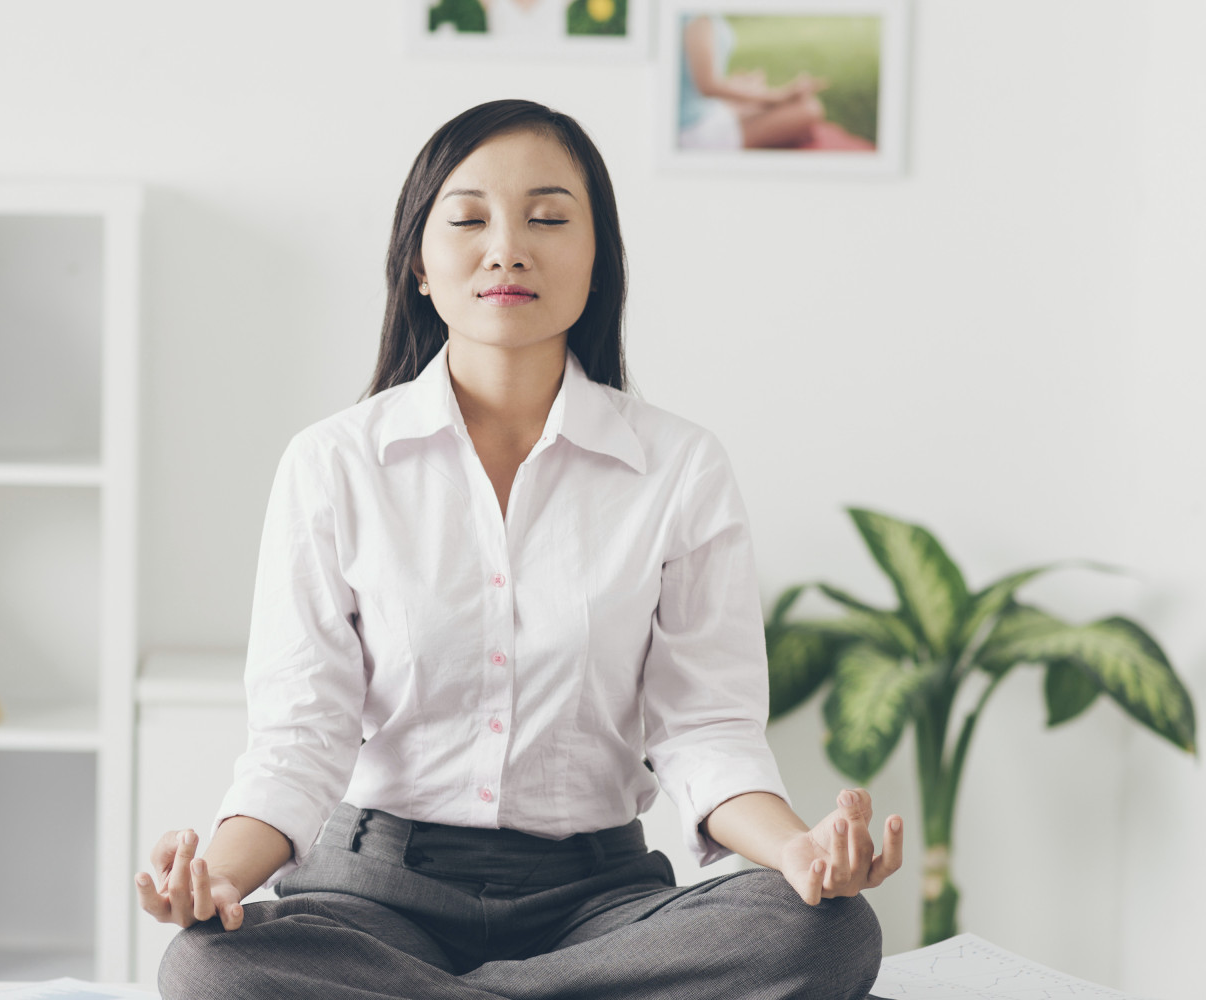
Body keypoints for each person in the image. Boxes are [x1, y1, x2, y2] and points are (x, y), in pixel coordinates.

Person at [139, 99, 897, 999]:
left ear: (597, 261)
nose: (507, 247)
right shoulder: (332, 463)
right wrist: (220, 877)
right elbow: (302, 733)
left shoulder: (680, 467)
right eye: (467, 219)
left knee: (827, 936)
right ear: (418, 265)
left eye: (547, 218)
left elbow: (707, 730)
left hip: (595, 903)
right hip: (375, 896)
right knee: (206, 969)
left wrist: (799, 851)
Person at [677, 12, 829, 149]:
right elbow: (707, 87)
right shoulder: (698, 14)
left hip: (702, 113)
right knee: (809, 108)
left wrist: (739, 85)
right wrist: (777, 97)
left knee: (756, 88)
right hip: (694, 131)